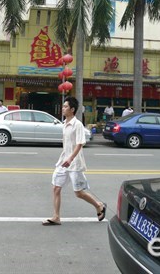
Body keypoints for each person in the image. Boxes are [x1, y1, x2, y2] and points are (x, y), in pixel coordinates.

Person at [42, 96, 106, 226]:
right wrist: (65, 158)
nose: (63, 109)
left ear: (72, 109)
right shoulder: (65, 123)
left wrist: (71, 158)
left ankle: (99, 205)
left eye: (65, 107)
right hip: (63, 162)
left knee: (78, 193)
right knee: (56, 188)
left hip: (74, 163)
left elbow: (79, 144)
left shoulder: (77, 125)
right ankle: (56, 217)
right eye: (63, 106)